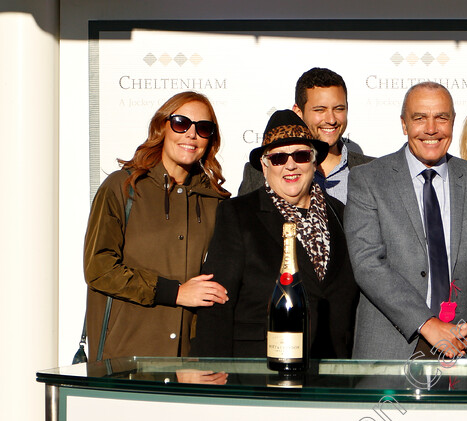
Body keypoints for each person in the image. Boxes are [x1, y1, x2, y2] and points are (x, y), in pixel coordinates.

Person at [344, 82, 467, 360]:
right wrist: (427, 324)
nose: (431, 128)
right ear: (404, 124)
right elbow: (367, 263)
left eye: (441, 117)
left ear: (452, 122)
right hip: (389, 350)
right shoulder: (368, 179)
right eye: (419, 118)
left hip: (460, 350)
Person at [192, 110, 358, 358]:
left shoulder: (342, 213)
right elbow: (217, 301)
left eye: (300, 155)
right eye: (279, 158)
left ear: (314, 161)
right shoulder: (238, 214)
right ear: (265, 165)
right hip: (260, 368)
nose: (290, 165)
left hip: (331, 368)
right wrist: (211, 369)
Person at [83, 91, 231, 360]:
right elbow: (99, 268)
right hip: (125, 360)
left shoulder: (216, 202)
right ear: (162, 127)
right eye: (181, 123)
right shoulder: (123, 188)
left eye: (203, 128)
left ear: (211, 140)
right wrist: (174, 293)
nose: (191, 134)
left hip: (187, 364)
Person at [239, 67, 373, 201]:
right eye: (320, 110)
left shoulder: (373, 170)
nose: (331, 120)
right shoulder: (257, 173)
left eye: (339, 109)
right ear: (298, 112)